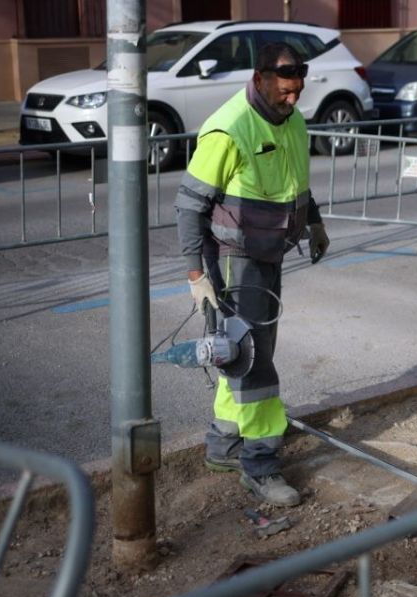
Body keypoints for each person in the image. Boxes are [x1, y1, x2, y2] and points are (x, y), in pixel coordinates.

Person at [175, 42, 329, 507]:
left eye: (297, 90)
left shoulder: (293, 122)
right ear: (260, 78)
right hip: (233, 258)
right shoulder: (229, 128)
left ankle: (223, 445)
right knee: (256, 362)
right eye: (284, 91)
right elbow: (189, 205)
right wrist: (195, 274)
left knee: (237, 354)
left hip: (270, 254)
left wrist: (315, 223)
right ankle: (260, 466)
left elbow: (296, 183)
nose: (292, 99)